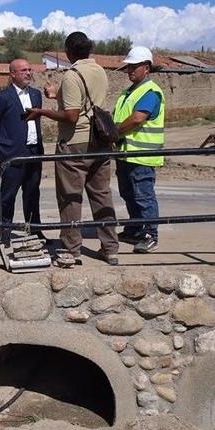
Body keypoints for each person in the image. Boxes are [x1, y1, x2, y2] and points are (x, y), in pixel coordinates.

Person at [26, 32, 118, 266]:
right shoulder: (100, 71)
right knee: (102, 195)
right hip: (100, 142)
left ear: (68, 52)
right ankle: (110, 248)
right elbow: (87, 104)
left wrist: (42, 111)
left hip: (75, 143)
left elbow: (72, 115)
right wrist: (56, 97)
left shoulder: (71, 75)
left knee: (70, 197)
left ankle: (71, 250)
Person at [112, 45, 165, 254]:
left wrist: (114, 133)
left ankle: (151, 234)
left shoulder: (150, 92)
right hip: (125, 154)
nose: (130, 70)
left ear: (146, 68)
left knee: (143, 195)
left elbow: (137, 118)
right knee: (128, 194)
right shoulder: (128, 92)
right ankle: (135, 228)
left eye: (134, 66)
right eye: (128, 67)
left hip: (142, 156)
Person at [0, 58, 43, 233]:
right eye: (23, 70)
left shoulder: (36, 94)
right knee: (7, 195)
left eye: (29, 69)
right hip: (12, 154)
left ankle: (35, 230)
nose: (28, 73)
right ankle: (4, 231)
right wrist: (6, 143)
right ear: (13, 74)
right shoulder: (2, 97)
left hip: (34, 151)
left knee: (32, 194)